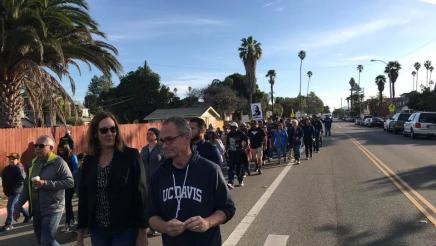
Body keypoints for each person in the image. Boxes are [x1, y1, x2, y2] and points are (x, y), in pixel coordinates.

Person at [148, 117, 236, 246]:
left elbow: (227, 208)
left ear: (187, 136)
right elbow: (151, 215)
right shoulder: (159, 175)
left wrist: (207, 222)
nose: (165, 145)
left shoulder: (210, 170)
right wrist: (165, 227)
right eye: (162, 140)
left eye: (170, 139)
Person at [76, 112, 147, 246]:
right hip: (98, 230)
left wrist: (142, 232)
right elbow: (84, 197)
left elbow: (141, 195)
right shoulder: (89, 161)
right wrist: (80, 235)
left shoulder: (130, 156)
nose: (110, 133)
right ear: (95, 134)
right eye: (104, 130)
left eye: (113, 129)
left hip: (125, 228)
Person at [14, 135, 74, 245]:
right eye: (35, 146)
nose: (37, 148)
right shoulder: (33, 163)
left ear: (51, 148)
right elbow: (27, 187)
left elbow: (70, 182)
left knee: (47, 240)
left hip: (53, 208)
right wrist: (17, 207)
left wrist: (45, 183)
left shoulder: (58, 162)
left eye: (41, 146)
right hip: (37, 209)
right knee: (41, 242)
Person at [140, 127, 165, 237]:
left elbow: (167, 163)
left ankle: (160, 226)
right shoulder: (144, 149)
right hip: (145, 181)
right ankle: (151, 226)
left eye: (151, 134)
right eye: (147, 134)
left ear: (156, 136)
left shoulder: (162, 148)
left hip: (159, 180)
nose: (148, 136)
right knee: (148, 204)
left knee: (159, 203)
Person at [1, 153, 30, 231]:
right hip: (9, 191)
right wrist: (4, 189)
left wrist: (16, 189)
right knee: (17, 204)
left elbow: (22, 180)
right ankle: (27, 215)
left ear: (18, 160)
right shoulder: (6, 169)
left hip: (17, 191)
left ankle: (8, 223)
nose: (11, 160)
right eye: (10, 159)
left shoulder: (19, 168)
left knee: (10, 205)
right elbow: (3, 179)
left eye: (13, 159)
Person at [57, 144, 79, 232]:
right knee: (67, 202)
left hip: (70, 183)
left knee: (67, 202)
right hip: (63, 183)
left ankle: (68, 222)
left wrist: (70, 180)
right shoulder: (60, 158)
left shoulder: (72, 157)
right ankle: (71, 220)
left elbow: (75, 170)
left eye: (62, 150)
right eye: (59, 150)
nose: (60, 151)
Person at [226, 122, 249, 188]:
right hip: (232, 153)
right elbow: (227, 143)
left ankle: (240, 180)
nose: (232, 128)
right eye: (231, 127)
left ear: (236, 127)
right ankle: (231, 182)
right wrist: (227, 151)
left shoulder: (240, 133)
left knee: (239, 169)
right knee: (231, 168)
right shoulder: (229, 134)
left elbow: (246, 139)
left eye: (233, 127)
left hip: (239, 153)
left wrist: (245, 147)